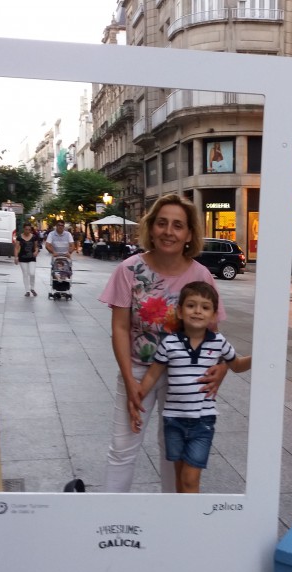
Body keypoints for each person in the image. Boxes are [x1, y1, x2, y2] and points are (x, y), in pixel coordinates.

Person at [98, 193, 228, 493]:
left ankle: (173, 522)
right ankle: (109, 519)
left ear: (189, 234)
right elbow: (119, 327)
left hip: (185, 376)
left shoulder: (202, 275)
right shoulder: (129, 270)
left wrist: (221, 367)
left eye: (178, 225)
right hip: (139, 372)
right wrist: (129, 379)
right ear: (151, 227)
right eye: (162, 223)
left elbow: (212, 331)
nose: (169, 231)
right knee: (122, 447)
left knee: (174, 453)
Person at [129, 282, 251, 493]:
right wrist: (135, 402)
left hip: (202, 422)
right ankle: (182, 520)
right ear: (180, 311)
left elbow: (237, 365)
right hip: (173, 421)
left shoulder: (218, 342)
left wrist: (262, 356)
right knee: (179, 478)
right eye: (191, 305)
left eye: (205, 307)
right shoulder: (170, 343)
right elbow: (152, 376)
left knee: (190, 478)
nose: (197, 311)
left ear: (213, 315)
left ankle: (194, 522)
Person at [14, 223, 40, 297]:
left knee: (32, 273)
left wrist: (36, 251)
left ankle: (32, 288)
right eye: (26, 229)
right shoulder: (19, 237)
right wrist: (16, 257)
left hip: (32, 258)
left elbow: (36, 247)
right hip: (22, 258)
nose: (27, 231)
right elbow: (16, 247)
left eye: (29, 229)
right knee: (25, 274)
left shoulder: (34, 237)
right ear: (23, 229)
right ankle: (27, 291)